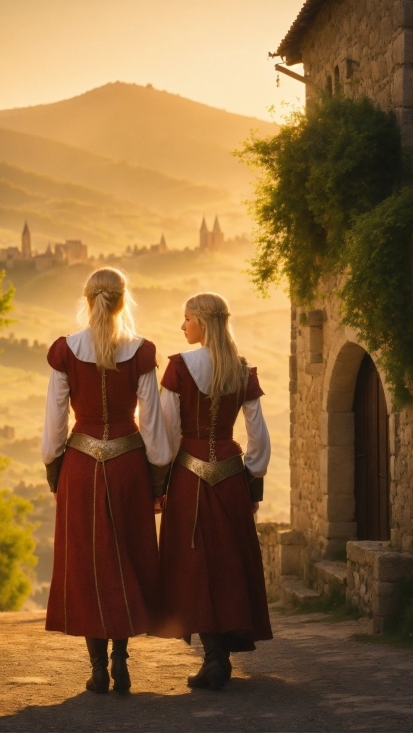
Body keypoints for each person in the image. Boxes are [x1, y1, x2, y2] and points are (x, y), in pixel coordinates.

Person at [42, 267, 172, 694]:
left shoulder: (65, 350)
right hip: (129, 465)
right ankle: (120, 659)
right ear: (121, 301)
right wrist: (158, 472)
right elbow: (151, 422)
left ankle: (97, 667)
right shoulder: (139, 351)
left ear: (87, 300)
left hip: (80, 466)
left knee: (88, 565)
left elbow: (55, 420)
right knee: (127, 559)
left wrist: (53, 465)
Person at [158, 292, 272, 690]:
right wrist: (252, 478)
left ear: (202, 324)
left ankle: (214, 658)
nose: (182, 325)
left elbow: (168, 434)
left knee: (194, 564)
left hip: (188, 476)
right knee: (227, 562)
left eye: (186, 318)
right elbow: (258, 434)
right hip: (229, 476)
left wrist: (161, 479)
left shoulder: (178, 368)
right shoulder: (241, 370)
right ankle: (217, 656)